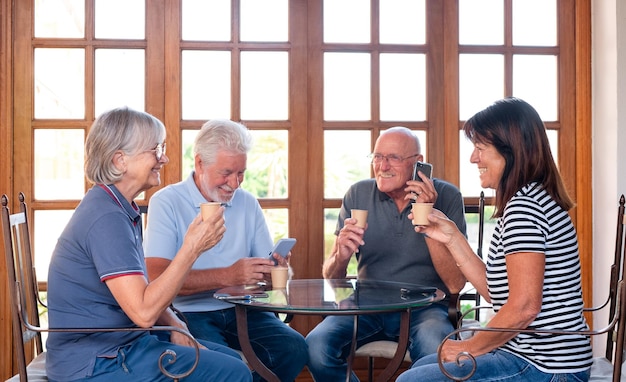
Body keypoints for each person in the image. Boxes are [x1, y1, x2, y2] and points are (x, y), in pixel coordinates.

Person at [46, 107, 252, 382]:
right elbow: (143, 313)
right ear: (120, 160)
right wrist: (192, 248)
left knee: (231, 360)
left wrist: (176, 324)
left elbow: (140, 293)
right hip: (97, 361)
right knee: (235, 373)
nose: (163, 158)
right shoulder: (106, 218)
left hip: (121, 345)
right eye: (155, 150)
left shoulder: (117, 207)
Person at [397, 97, 592, 381]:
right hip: (528, 356)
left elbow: (525, 307)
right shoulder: (529, 199)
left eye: (480, 148)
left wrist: (469, 347)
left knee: (411, 380)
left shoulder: (525, 209)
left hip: (548, 368)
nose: (473, 158)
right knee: (423, 365)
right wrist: (451, 236)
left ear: (510, 152)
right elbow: (498, 293)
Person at [143, 119, 308, 381]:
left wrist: (275, 271)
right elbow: (155, 278)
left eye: (241, 173)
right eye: (226, 173)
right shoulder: (167, 202)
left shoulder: (247, 203)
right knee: (222, 363)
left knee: (295, 348)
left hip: (245, 309)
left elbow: (274, 277)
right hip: (190, 312)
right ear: (199, 164)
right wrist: (228, 276)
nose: (235, 183)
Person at [305, 126, 468, 382]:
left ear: (418, 164)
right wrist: (341, 255)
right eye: (377, 157)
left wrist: (427, 216)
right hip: (366, 306)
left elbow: (456, 284)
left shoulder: (447, 196)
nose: (382, 165)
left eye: (393, 157)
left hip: (426, 308)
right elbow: (331, 276)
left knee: (438, 357)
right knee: (315, 346)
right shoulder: (358, 194)